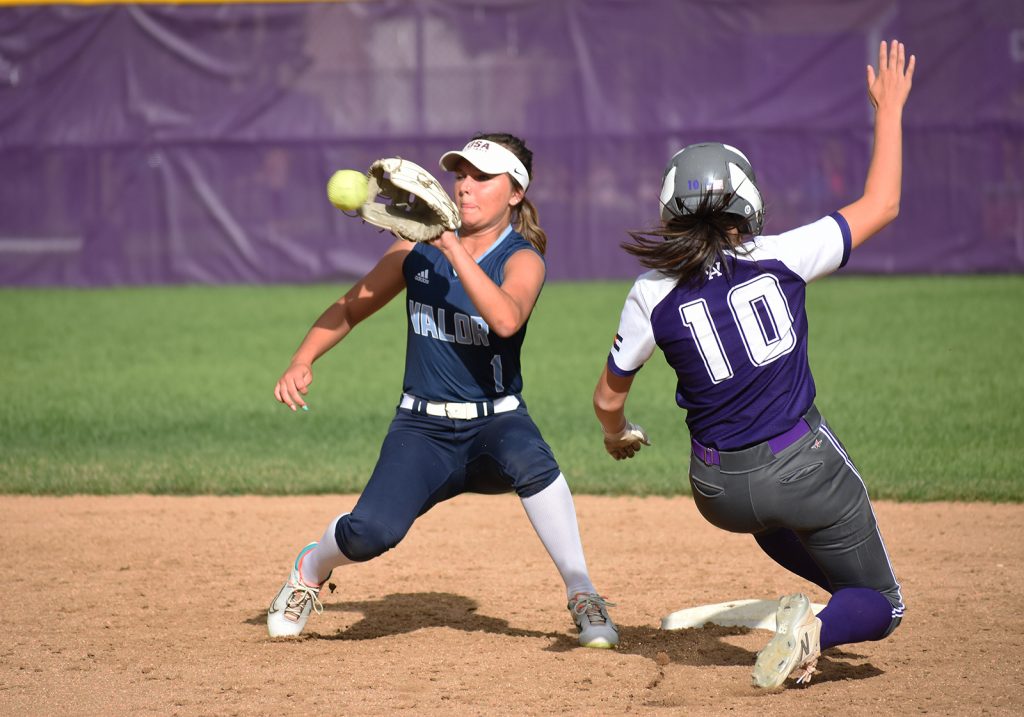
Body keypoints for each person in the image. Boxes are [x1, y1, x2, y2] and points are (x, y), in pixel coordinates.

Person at [593, 41, 915, 687]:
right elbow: (882, 204)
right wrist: (891, 109)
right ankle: (820, 627)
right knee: (884, 606)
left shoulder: (651, 290)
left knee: (772, 520)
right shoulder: (784, 252)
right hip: (801, 467)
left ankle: (831, 601)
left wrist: (616, 434)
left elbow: (607, 398)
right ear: (746, 203)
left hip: (718, 493)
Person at [268, 132, 618, 649]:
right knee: (369, 534)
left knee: (534, 462)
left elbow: (504, 318)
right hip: (423, 429)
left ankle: (582, 591)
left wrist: (450, 243)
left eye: (482, 177)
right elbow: (350, 307)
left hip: (495, 424)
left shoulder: (523, 259)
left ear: (516, 193)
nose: (465, 186)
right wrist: (302, 359)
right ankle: (311, 565)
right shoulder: (413, 249)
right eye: (460, 175)